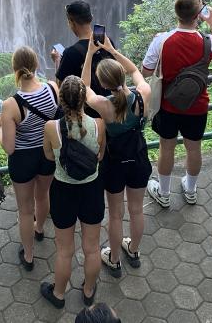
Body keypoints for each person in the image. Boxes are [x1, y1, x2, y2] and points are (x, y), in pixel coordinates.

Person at [142, 0, 212, 208]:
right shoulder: (209, 41)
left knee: (166, 148)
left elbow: (146, 71)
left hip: (167, 105)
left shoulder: (162, 40)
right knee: (194, 149)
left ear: (177, 14)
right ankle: (191, 190)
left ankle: (164, 193)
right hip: (197, 106)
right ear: (198, 16)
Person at [80, 37, 151, 278]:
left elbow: (83, 87)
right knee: (137, 210)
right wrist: (111, 50)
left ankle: (114, 260)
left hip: (115, 163)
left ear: (103, 83)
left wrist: (91, 53)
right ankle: (134, 250)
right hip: (139, 158)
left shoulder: (103, 105)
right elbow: (134, 70)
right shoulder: (143, 95)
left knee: (116, 214)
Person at [39, 76, 105, 309]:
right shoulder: (98, 124)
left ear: (61, 100)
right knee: (92, 247)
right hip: (92, 190)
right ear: (84, 98)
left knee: (65, 250)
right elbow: (100, 156)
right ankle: (88, 290)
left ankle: (58, 294)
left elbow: (48, 156)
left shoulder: (51, 127)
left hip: (63, 192)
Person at [0, 46, 59, 271]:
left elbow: (9, 147)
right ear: (36, 65)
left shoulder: (11, 104)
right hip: (47, 153)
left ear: (14, 70)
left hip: (23, 159)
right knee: (43, 196)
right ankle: (39, 229)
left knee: (24, 209)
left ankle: (29, 256)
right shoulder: (52, 88)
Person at [53, 1, 113, 110]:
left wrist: (57, 61)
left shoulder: (70, 53)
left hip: (88, 113)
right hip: (109, 108)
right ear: (91, 18)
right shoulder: (108, 43)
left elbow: (61, 88)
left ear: (71, 22)